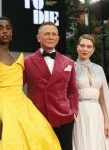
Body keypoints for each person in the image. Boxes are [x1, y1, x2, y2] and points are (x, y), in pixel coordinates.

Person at [0, 17, 61, 149]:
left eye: (8, 28)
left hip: (22, 105)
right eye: (0, 28)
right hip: (0, 105)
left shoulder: (13, 57)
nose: (5, 31)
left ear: (12, 33)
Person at [23, 21, 79, 150]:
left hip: (64, 119)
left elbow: (72, 91)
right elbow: (17, 86)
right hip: (38, 118)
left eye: (54, 34)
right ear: (38, 38)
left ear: (58, 39)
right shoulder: (27, 62)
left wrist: (74, 112)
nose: (50, 37)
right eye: (46, 34)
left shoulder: (69, 62)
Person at [72, 34, 109, 150]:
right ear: (77, 47)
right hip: (79, 113)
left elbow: (103, 99)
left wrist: (107, 121)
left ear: (93, 50)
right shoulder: (71, 67)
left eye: (89, 47)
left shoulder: (99, 69)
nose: (85, 49)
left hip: (97, 112)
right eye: (82, 45)